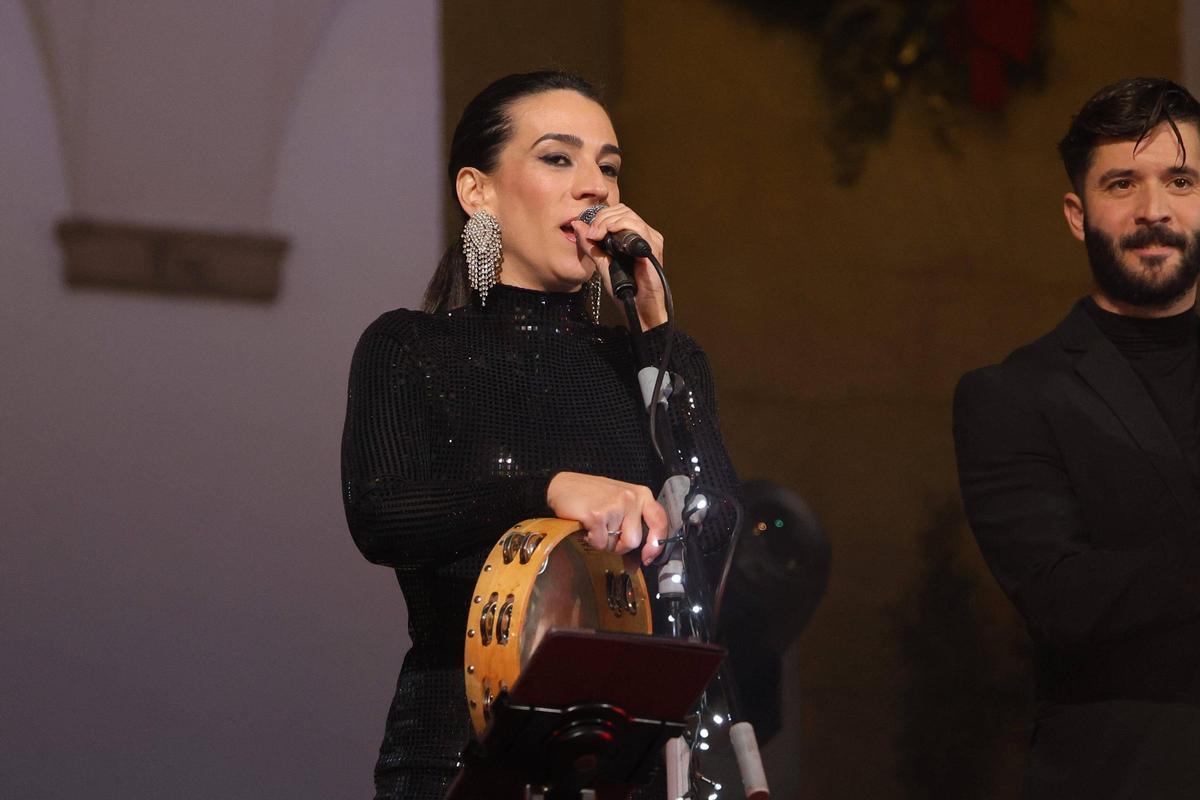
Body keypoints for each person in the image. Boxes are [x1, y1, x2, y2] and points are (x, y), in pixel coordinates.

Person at [340, 71, 739, 799]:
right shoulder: (411, 347)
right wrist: (548, 491)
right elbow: (381, 511)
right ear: (478, 192)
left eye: (609, 167)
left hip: (631, 764)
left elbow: (710, 529)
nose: (596, 187)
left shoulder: (655, 361)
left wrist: (654, 327)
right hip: (462, 756)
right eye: (559, 158)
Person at [954, 76, 1200, 798]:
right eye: (1122, 183)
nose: (1154, 210)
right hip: (1124, 776)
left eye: (1180, 180)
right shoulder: (1010, 395)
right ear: (1076, 213)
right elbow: (1065, 600)